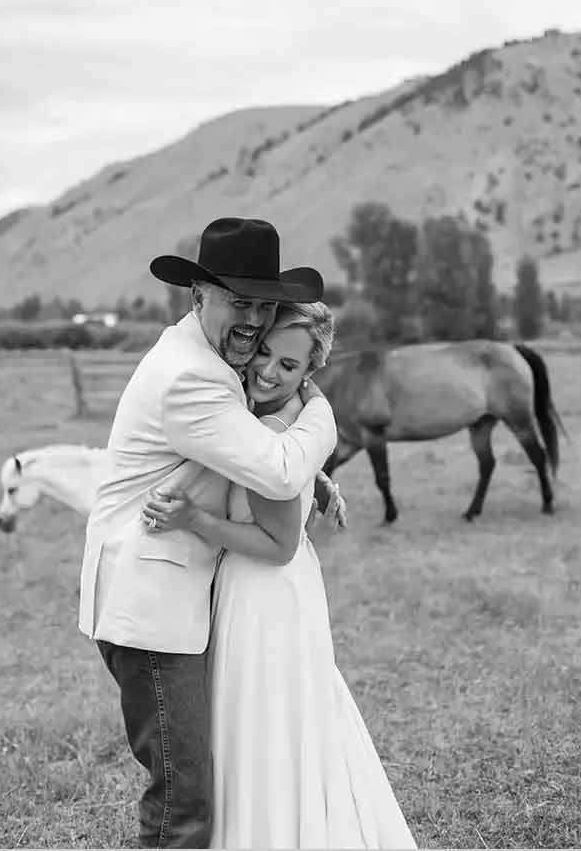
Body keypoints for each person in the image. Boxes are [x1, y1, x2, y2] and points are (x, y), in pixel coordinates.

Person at [81, 217, 339, 848]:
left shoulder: (202, 354)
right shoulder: (190, 376)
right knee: (184, 792)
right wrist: (322, 415)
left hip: (171, 596)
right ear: (199, 296)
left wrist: (316, 475)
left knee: (192, 781)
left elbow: (243, 447)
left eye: (263, 304)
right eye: (237, 302)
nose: (252, 319)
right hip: (151, 603)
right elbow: (277, 470)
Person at [144, 303, 415, 849]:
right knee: (282, 719)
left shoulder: (272, 427)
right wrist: (318, 472)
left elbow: (280, 545)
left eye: (288, 366)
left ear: (308, 373)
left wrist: (194, 519)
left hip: (263, 594)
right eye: (264, 352)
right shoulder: (275, 416)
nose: (267, 370)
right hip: (268, 594)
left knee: (265, 725)